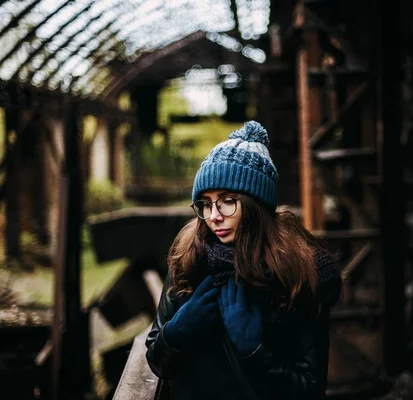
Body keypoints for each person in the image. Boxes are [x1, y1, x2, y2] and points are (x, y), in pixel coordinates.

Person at [145, 120, 341, 399]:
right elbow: (155, 360)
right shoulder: (188, 257)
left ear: (255, 205)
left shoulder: (300, 271)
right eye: (206, 203)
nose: (214, 215)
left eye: (227, 200)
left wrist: (255, 352)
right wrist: (176, 333)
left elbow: (310, 388)